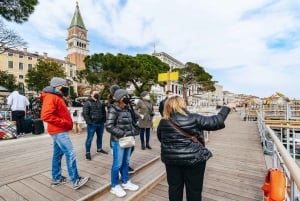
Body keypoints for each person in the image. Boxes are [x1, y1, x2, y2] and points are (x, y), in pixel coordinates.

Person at [157, 96, 236, 201]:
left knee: (174, 188)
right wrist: (227, 107)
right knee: (194, 190)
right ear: (182, 104)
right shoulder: (193, 118)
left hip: (172, 160)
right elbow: (216, 121)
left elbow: (161, 138)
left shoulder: (163, 122)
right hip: (194, 159)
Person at [40, 77, 89, 190]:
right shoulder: (51, 97)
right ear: (58, 86)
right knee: (70, 153)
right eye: (65, 86)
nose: (67, 88)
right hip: (59, 130)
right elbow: (46, 115)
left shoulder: (55, 96)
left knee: (57, 154)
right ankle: (75, 180)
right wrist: (64, 123)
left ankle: (57, 178)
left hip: (58, 130)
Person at [106, 89, 139, 198]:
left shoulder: (127, 108)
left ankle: (125, 182)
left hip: (128, 139)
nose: (128, 97)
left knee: (126, 162)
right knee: (117, 163)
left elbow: (131, 124)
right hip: (118, 140)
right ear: (120, 97)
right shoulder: (113, 109)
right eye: (126, 96)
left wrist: (134, 131)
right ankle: (114, 186)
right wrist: (123, 134)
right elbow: (109, 126)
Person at [107, 84, 136, 174]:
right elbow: (109, 125)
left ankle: (125, 170)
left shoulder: (126, 105)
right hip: (120, 135)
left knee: (130, 150)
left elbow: (131, 115)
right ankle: (118, 176)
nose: (126, 97)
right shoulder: (113, 106)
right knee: (118, 159)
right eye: (124, 96)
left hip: (128, 132)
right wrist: (122, 134)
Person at [82, 89, 108, 160]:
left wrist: (104, 120)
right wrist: (89, 122)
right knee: (89, 138)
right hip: (92, 124)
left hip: (101, 123)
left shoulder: (100, 102)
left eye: (98, 93)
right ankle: (87, 153)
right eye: (95, 93)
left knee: (100, 137)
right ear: (91, 94)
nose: (97, 94)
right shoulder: (88, 103)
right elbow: (85, 113)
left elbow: (103, 111)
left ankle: (99, 149)